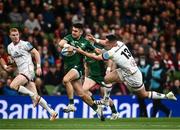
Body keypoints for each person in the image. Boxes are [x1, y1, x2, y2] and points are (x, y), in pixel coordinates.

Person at [75, 34, 177, 101]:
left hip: (133, 75)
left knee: (143, 95)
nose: (105, 42)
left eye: (107, 42)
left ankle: (167, 96)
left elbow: (96, 57)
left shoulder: (112, 52)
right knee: (105, 79)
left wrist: (82, 52)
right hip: (125, 70)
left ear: (111, 43)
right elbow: (104, 43)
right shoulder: (119, 43)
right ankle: (106, 100)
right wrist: (95, 40)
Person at [5, 28, 57, 121]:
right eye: (13, 35)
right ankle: (52, 112)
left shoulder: (25, 44)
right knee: (36, 98)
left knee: (13, 85)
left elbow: (36, 53)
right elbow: (15, 63)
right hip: (21, 72)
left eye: (17, 34)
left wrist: (39, 66)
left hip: (28, 70)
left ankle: (31, 94)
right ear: (10, 36)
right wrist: (11, 66)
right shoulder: (9, 47)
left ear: (19, 35)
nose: (16, 36)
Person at [58, 23, 104, 121]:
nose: (73, 32)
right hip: (68, 69)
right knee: (82, 95)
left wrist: (105, 52)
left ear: (81, 32)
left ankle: (71, 104)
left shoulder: (85, 42)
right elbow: (60, 43)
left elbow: (96, 50)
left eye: (76, 31)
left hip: (78, 68)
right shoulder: (69, 38)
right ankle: (97, 108)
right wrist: (69, 46)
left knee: (66, 80)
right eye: (73, 30)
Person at [82, 36, 119, 120]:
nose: (86, 42)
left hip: (102, 76)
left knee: (104, 96)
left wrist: (109, 69)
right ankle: (97, 106)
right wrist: (85, 77)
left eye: (88, 41)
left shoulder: (98, 49)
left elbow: (110, 58)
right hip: (92, 76)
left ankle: (115, 112)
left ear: (92, 41)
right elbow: (86, 66)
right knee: (83, 91)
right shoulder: (85, 51)